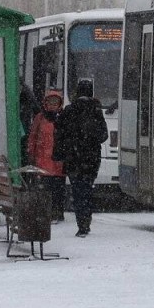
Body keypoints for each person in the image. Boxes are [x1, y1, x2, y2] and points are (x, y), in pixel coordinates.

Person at [53, 79, 108, 237]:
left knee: (78, 190)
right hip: (91, 158)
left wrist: (60, 153)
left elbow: (59, 134)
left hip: (73, 158)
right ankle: (86, 219)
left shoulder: (69, 111)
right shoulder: (96, 109)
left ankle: (82, 222)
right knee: (87, 187)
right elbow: (103, 135)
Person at [27, 89, 65, 221]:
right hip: (43, 160)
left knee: (58, 189)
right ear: (45, 103)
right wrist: (31, 152)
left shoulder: (63, 117)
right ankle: (48, 212)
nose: (53, 104)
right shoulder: (40, 118)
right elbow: (33, 136)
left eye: (56, 102)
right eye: (51, 101)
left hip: (58, 161)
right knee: (46, 188)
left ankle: (58, 212)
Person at [18, 78, 39, 164]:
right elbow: (37, 110)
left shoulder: (25, 96)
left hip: (23, 128)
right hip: (24, 128)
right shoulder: (28, 94)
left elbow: (36, 111)